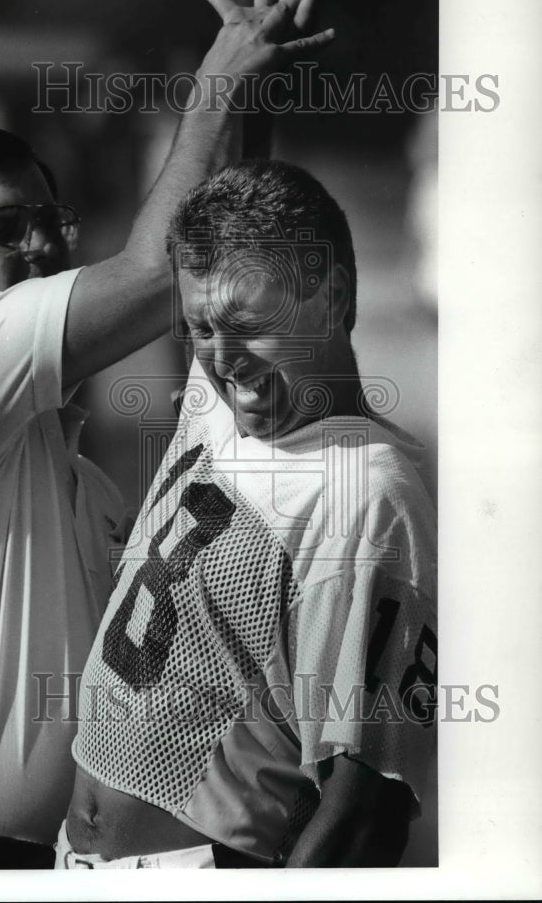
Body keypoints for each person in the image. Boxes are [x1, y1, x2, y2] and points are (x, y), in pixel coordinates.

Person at [0, 0, 339, 868]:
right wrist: (221, 78)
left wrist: (249, 109)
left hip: (29, 863)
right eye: (1, 230)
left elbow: (207, 280)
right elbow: (159, 275)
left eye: (47, 221)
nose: (38, 244)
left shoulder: (82, 482)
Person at [61, 159, 437, 868]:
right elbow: (186, 237)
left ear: (331, 299)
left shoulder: (367, 496)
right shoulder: (227, 400)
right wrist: (230, 67)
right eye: (201, 329)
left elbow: (365, 813)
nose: (224, 361)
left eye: (249, 325)